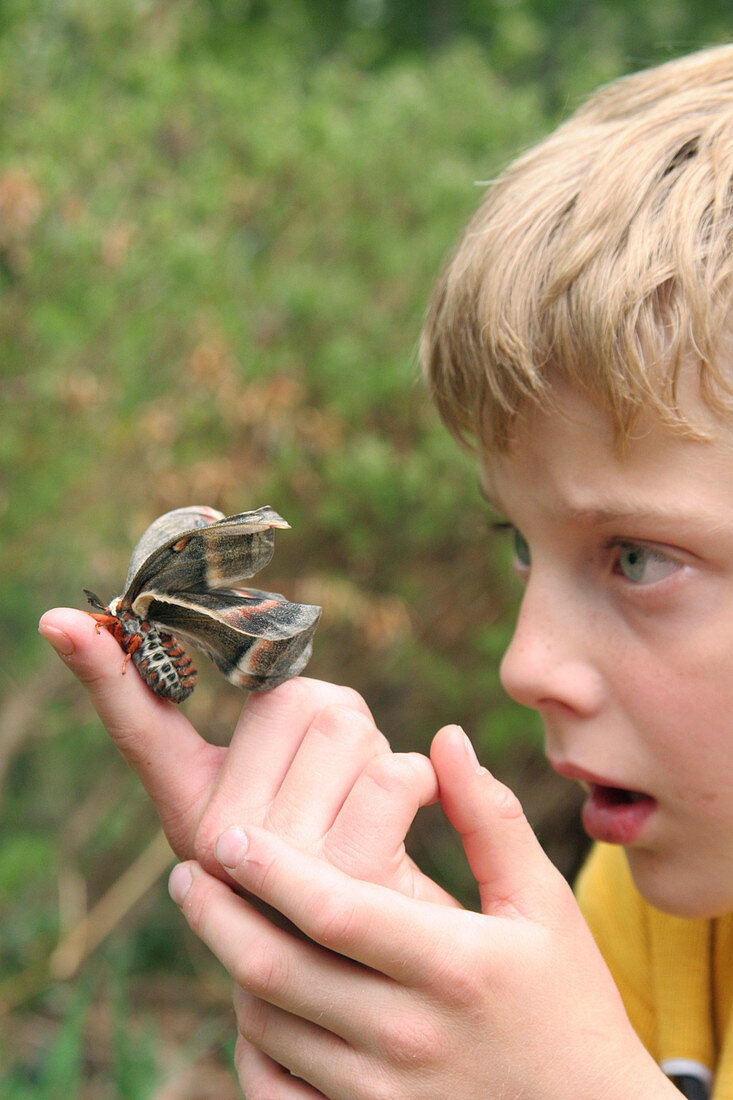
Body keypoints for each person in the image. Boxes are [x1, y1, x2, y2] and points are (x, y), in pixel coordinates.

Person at [40, 42, 733, 1099]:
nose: (524, 661)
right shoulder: (648, 922)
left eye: (637, 557)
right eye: (515, 541)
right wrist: (391, 984)